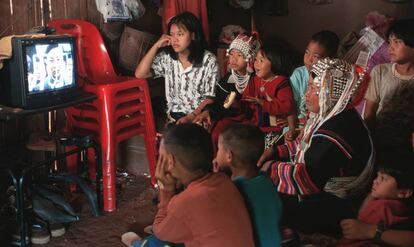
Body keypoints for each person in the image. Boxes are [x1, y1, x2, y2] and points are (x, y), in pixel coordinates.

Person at [257, 58, 374, 237]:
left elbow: (309, 179)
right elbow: (308, 144)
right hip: (320, 182)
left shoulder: (337, 131)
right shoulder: (335, 113)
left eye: (313, 88)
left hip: (335, 204)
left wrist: (270, 169)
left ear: (331, 93)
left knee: (266, 200)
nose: (306, 94)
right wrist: (276, 151)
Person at [122, 124, 255, 247]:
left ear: (169, 161)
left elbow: (160, 232)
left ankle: (140, 244)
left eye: (161, 156)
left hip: (169, 227)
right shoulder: (223, 180)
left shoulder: (187, 201)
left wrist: (166, 190)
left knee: (158, 241)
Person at [134, 12, 219, 126]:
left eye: (180, 34)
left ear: (193, 35)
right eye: (171, 34)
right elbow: (140, 74)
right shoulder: (167, 57)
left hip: (198, 117)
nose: (174, 39)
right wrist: (156, 46)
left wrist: (190, 117)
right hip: (174, 118)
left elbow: (210, 97)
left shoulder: (208, 60)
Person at [214, 123, 282, 247]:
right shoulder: (266, 180)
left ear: (229, 155)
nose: (217, 154)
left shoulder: (234, 190)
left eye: (219, 149)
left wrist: (215, 180)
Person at [192, 33, 260, 151]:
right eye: (231, 54)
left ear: (250, 58)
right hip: (231, 116)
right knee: (216, 135)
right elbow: (221, 103)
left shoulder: (256, 79)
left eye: (239, 55)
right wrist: (209, 111)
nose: (233, 59)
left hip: (253, 118)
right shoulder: (228, 79)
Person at [339, 151, 414, 246]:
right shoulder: (400, 206)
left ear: (404, 192)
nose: (375, 181)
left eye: (383, 178)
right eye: (377, 176)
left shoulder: (382, 206)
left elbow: (360, 220)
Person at [364, 18, 414, 132]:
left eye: (397, 42)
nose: (390, 47)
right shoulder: (380, 72)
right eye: (390, 41)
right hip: (381, 141)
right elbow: (369, 113)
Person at [242, 43, 297, 145]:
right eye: (256, 60)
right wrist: (235, 103)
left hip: (274, 129)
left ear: (274, 62)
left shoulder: (281, 82)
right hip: (255, 127)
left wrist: (263, 103)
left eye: (261, 60)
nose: (256, 64)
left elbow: (288, 107)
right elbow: (245, 101)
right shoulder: (254, 80)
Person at [289, 30, 339, 123]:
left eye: (316, 56)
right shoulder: (298, 75)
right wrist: (292, 124)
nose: (308, 59)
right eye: (307, 52)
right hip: (297, 122)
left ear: (330, 59)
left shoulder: (332, 79)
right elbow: (291, 104)